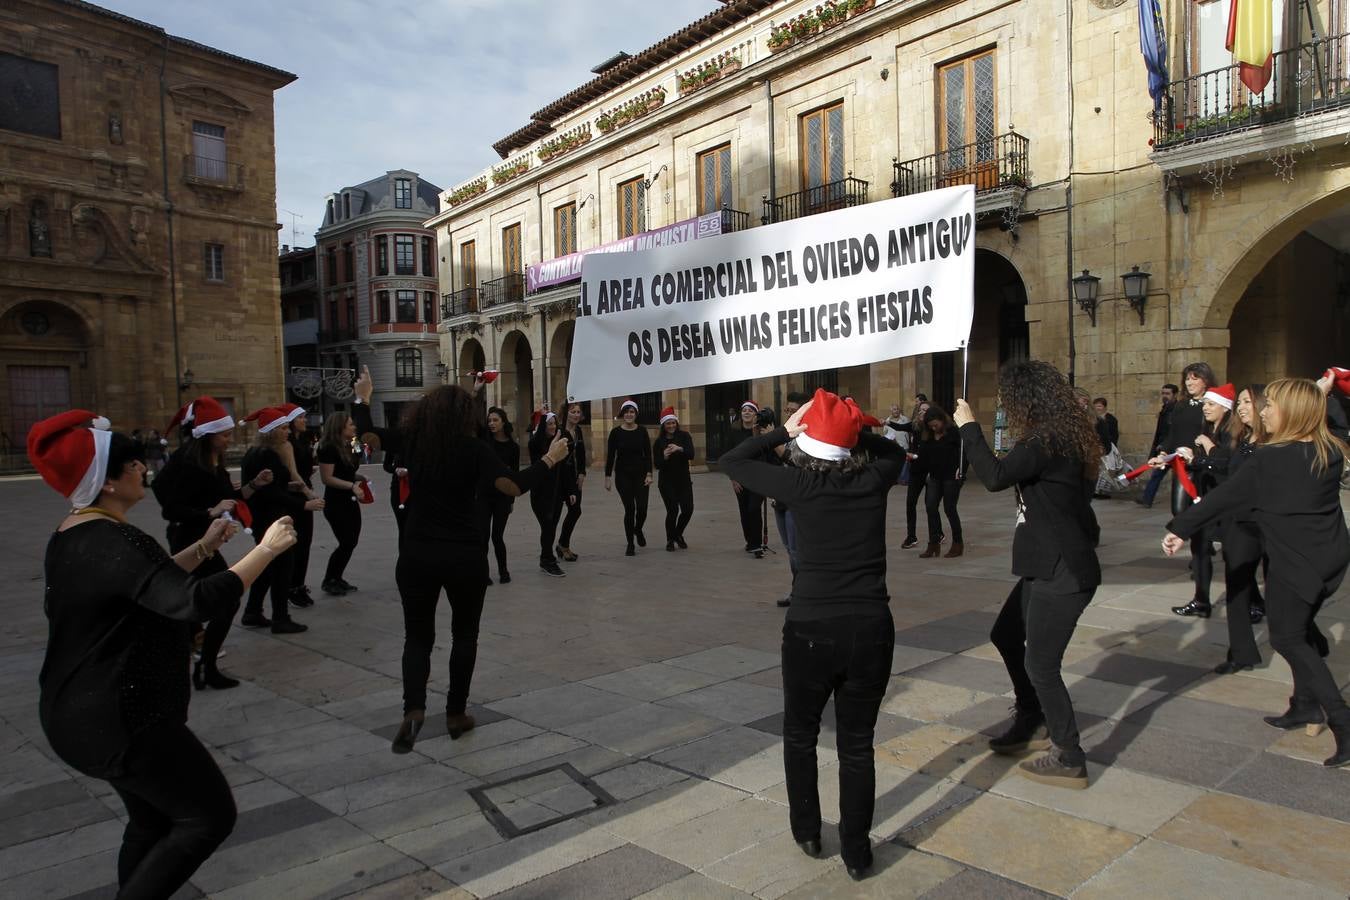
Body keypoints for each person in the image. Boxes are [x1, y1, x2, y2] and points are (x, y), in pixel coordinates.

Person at [29, 409, 296, 899]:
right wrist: (266, 551)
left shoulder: (75, 533)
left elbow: (147, 585)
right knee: (208, 816)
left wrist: (203, 545)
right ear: (107, 481)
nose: (143, 472)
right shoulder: (113, 539)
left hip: (78, 711)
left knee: (151, 822)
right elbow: (193, 601)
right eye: (132, 466)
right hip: (120, 717)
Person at [720, 389, 904, 880]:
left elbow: (732, 459)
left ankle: (806, 828)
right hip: (870, 627)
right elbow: (894, 450)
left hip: (810, 629)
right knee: (857, 743)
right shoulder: (873, 478)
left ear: (810, 444)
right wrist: (854, 426)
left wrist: (787, 430)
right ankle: (857, 852)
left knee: (800, 734)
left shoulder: (798, 484)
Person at [345, 367, 569, 753]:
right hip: (464, 553)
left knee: (417, 636)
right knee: (464, 634)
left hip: (417, 551)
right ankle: (455, 713)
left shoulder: (413, 443)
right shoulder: (475, 450)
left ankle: (414, 708)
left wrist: (363, 396)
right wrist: (549, 459)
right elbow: (512, 486)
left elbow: (366, 435)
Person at [1164, 378, 1349, 768]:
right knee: (1300, 629)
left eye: (1270, 406)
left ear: (1292, 412)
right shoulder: (1328, 449)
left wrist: (1180, 528)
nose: (1263, 411)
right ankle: (1303, 705)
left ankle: (1342, 719)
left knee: (1287, 637)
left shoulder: (1272, 457)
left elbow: (1227, 495)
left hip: (1295, 561)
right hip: (1328, 557)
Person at [954, 361, 1102, 789]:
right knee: (1005, 633)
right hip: (1047, 563)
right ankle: (1034, 716)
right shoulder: (1061, 433)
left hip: (1063, 570)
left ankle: (1069, 755)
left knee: (1042, 665)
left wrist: (969, 427)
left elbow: (996, 476)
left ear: (1027, 397)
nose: (1003, 402)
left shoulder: (1046, 438)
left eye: (1007, 395)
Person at [154, 396, 264, 687]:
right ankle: (203, 660)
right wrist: (208, 512)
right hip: (189, 540)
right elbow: (171, 507)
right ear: (208, 435)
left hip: (207, 539)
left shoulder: (214, 461)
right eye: (225, 435)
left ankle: (199, 649)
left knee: (215, 597)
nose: (229, 440)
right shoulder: (187, 462)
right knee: (225, 596)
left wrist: (254, 485)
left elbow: (230, 496)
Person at [1206, 384, 1269, 674]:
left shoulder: (1275, 443)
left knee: (1283, 597)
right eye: (1240, 402)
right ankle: (1241, 652)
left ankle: (1309, 640)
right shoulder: (1240, 440)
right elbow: (1225, 473)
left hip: (1267, 526)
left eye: (1247, 402)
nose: (1241, 407)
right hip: (1239, 526)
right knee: (1237, 588)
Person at [1149, 363, 1218, 614]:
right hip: (1181, 466)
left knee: (1201, 514)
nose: (1190, 383)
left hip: (1203, 467)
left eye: (1195, 379)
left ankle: (1202, 546)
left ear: (1206, 381)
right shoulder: (1179, 407)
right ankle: (1201, 543)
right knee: (1179, 509)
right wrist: (1162, 452)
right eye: (1187, 379)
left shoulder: (1211, 405)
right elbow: (1172, 434)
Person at [241, 407, 317, 634]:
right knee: (283, 566)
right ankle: (280, 617)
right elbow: (270, 493)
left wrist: (290, 485)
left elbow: (272, 486)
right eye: (283, 428)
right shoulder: (267, 455)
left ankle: (253, 611)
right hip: (269, 517)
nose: (287, 432)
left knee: (266, 565)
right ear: (271, 432)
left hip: (262, 515)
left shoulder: (255, 453)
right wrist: (303, 504)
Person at [1166, 382, 1235, 618]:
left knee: (1235, 554)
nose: (1205, 408)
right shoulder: (1210, 429)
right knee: (1200, 548)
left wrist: (1204, 449)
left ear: (1225, 408)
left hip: (1226, 500)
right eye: (1205, 403)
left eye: (1210, 404)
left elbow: (1226, 464)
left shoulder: (1230, 432)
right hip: (1206, 497)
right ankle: (1201, 601)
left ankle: (1253, 601)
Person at [317, 411, 367, 595]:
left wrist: (359, 477)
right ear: (340, 427)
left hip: (349, 500)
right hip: (336, 502)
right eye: (351, 425)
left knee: (351, 541)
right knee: (346, 541)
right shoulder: (328, 447)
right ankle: (329, 579)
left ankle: (337, 577)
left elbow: (347, 470)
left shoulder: (351, 444)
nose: (354, 427)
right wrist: (351, 485)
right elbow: (327, 478)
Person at [281, 404, 319, 608]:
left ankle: (297, 585)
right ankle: (293, 587)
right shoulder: (288, 444)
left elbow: (300, 470)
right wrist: (307, 493)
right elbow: (292, 472)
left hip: (302, 492)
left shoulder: (300, 441)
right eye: (301, 417)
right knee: (298, 543)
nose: (305, 420)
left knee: (304, 544)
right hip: (296, 497)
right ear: (291, 421)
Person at [773, 391, 808, 607]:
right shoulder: (783, 432)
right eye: (787, 410)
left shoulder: (807, 436)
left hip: (797, 500)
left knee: (796, 550)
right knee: (788, 548)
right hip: (780, 498)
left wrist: (775, 441)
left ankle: (803, 591)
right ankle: (797, 589)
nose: (789, 414)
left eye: (793, 411)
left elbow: (795, 461)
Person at [604, 398, 652, 556]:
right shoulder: (616, 433)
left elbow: (648, 454)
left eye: (632, 412)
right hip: (623, 476)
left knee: (643, 509)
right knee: (630, 509)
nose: (629, 415)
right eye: (626, 412)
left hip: (641, 475)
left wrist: (649, 473)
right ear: (622, 414)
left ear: (636, 414)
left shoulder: (642, 431)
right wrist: (607, 476)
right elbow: (611, 456)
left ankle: (638, 529)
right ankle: (630, 543)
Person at [917, 405, 965, 558]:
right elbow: (924, 456)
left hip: (951, 476)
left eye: (935, 425)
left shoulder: (953, 433)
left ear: (942, 420)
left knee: (949, 509)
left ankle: (957, 543)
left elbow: (965, 452)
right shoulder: (928, 436)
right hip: (935, 477)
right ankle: (933, 543)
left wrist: (961, 468)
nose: (933, 428)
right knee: (930, 507)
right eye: (930, 426)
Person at [479, 406, 518, 584]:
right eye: (489, 421)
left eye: (495, 420)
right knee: (483, 536)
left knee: (497, 536)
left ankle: (504, 571)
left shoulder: (513, 447)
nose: (491, 424)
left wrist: (511, 500)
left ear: (503, 422)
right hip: (484, 496)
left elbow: (515, 476)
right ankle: (483, 573)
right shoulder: (484, 443)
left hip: (502, 497)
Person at [528, 411, 569, 577]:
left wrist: (569, 491)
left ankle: (547, 556)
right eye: (549, 423)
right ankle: (547, 559)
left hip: (556, 492)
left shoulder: (559, 442)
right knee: (547, 526)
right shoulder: (534, 443)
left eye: (554, 423)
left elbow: (564, 470)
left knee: (551, 527)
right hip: (540, 492)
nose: (552, 426)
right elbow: (539, 466)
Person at [727, 400, 767, 556]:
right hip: (740, 478)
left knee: (753, 508)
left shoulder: (761, 432)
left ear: (755, 414)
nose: (747, 412)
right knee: (744, 511)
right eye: (744, 410)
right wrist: (733, 478)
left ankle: (756, 544)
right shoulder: (734, 432)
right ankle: (750, 541)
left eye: (750, 410)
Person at [653, 406, 695, 552]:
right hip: (666, 482)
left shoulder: (684, 436)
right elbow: (657, 464)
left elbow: (691, 454)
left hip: (683, 480)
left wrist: (680, 449)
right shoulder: (659, 442)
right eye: (668, 423)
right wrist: (664, 456)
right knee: (672, 511)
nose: (671, 426)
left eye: (673, 423)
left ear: (676, 423)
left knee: (688, 509)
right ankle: (670, 539)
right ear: (663, 426)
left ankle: (677, 534)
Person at [1137, 384, 1178, 508]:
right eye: (1163, 393)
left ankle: (1147, 499)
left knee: (1177, 476)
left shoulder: (1176, 409)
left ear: (1175, 395)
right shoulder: (1165, 409)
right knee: (1157, 474)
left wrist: (1164, 445)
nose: (1164, 396)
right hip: (1164, 448)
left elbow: (1173, 431)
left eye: (1167, 394)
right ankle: (1147, 499)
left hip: (1171, 449)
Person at [556, 402, 587, 562]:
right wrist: (570, 489)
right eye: (573, 411)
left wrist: (582, 473)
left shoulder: (579, 431)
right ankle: (560, 546)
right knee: (556, 515)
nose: (576, 414)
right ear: (566, 413)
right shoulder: (560, 432)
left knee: (575, 511)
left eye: (578, 412)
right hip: (561, 479)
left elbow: (581, 454)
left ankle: (562, 544)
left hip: (575, 477)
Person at [900, 397, 931, 549]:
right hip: (916, 471)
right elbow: (900, 427)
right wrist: (886, 422)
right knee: (910, 503)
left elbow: (934, 453)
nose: (921, 412)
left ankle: (937, 534)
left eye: (925, 410)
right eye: (920, 410)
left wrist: (916, 455)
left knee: (930, 505)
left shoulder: (934, 430)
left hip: (931, 472)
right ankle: (911, 536)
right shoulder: (915, 427)